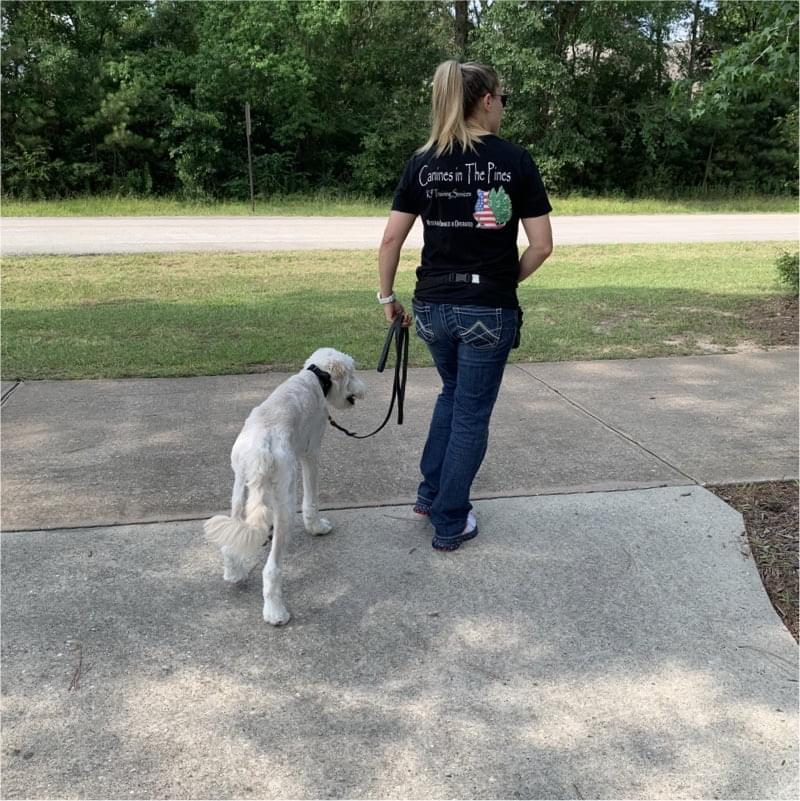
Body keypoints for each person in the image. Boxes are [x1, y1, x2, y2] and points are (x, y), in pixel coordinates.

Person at [377, 60, 553, 552]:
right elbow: (540, 246)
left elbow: (391, 239)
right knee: (471, 413)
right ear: (486, 100)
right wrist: (501, 284)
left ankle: (431, 494)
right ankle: (451, 520)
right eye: (503, 98)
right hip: (487, 310)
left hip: (432, 305)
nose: (503, 108)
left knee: (452, 395)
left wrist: (387, 298)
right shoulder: (515, 160)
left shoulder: (423, 162)